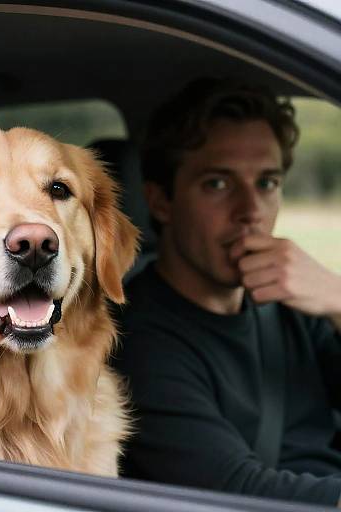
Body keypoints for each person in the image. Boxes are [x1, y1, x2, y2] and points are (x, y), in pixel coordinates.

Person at [113, 77, 341, 506]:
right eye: (218, 184)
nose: (250, 211)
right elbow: (241, 495)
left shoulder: (293, 301)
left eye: (267, 183)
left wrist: (338, 302)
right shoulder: (138, 342)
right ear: (161, 201)